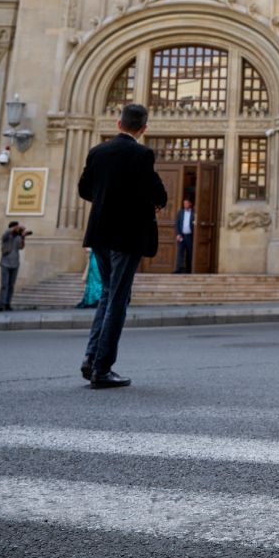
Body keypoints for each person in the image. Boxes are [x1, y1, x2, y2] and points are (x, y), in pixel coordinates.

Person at [77, 101, 167, 388]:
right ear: (143, 128)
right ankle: (102, 368)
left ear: (119, 124)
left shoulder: (97, 151)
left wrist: (107, 200)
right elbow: (158, 193)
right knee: (118, 299)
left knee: (107, 293)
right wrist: (142, 203)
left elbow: (84, 189)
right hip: (126, 237)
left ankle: (91, 359)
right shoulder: (142, 154)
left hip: (99, 234)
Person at [0, 221, 28, 311]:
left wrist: (23, 237)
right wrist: (17, 227)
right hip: (5, 263)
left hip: (15, 264)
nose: (17, 229)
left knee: (11, 285)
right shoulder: (6, 236)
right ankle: (1, 304)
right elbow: (7, 233)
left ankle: (7, 303)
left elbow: (21, 247)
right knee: (4, 285)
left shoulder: (18, 237)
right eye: (15, 227)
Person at [174, 195, 194, 273]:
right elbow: (177, 223)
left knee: (189, 252)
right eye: (184, 203)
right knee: (180, 252)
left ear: (190, 204)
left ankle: (189, 270)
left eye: (186, 203)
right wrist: (178, 234)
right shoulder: (180, 212)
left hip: (189, 236)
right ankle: (179, 268)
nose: (185, 205)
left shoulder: (193, 213)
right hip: (182, 235)